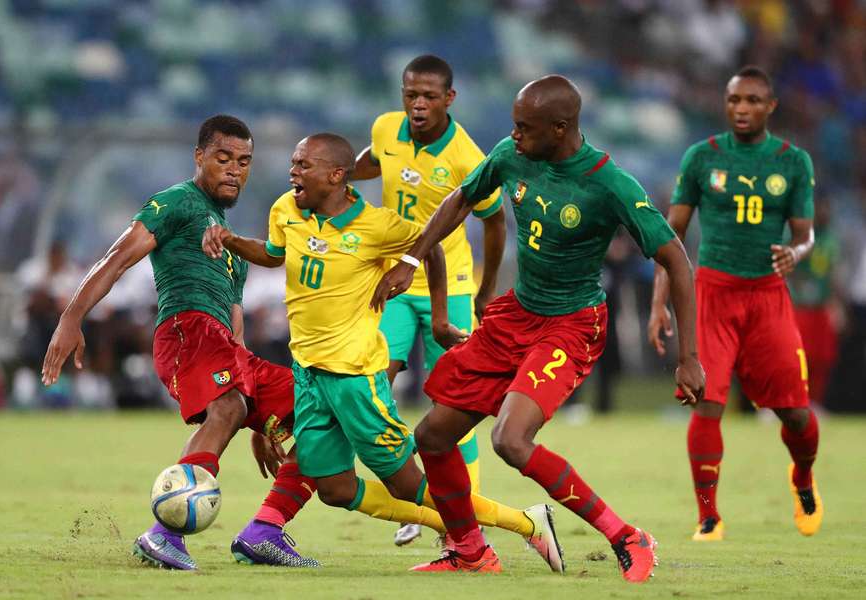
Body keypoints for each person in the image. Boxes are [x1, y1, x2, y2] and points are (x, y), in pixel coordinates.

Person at [373, 75, 705, 581]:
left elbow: (676, 260)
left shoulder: (609, 183)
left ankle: (627, 536)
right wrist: (412, 258)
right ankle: (470, 552)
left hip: (571, 325)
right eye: (514, 124)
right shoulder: (512, 154)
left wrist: (688, 357)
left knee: (510, 439)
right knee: (433, 436)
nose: (514, 135)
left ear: (561, 127)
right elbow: (461, 199)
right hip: (516, 315)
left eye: (525, 127)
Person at [202, 132, 564, 574]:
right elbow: (275, 254)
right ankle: (479, 531)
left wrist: (432, 309)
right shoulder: (285, 210)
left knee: (407, 483)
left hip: (355, 377)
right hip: (309, 376)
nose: (292, 172)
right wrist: (232, 239)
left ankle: (519, 526)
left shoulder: (378, 226)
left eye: (303, 165)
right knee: (334, 488)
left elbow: (431, 251)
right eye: (293, 163)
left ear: (336, 176)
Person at [41, 115, 320, 570]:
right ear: (199, 157)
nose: (234, 170)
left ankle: (264, 530)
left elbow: (236, 328)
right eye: (223, 158)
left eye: (244, 161)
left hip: (227, 346)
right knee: (226, 408)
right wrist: (71, 317)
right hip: (186, 330)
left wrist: (261, 417)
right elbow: (116, 258)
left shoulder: (232, 243)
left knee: (323, 413)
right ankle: (163, 534)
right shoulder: (177, 202)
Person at [648, 66, 823, 542]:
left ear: (771, 106)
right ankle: (709, 516)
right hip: (713, 296)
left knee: (797, 415)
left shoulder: (792, 162)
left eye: (751, 101)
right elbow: (670, 237)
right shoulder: (703, 158)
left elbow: (806, 236)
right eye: (733, 100)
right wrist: (658, 303)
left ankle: (803, 478)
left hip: (768, 298)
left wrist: (796, 252)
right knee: (707, 405)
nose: (741, 109)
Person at [351, 54, 506, 546]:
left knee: (455, 404)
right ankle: (418, 499)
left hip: (453, 287)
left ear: (449, 99)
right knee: (375, 385)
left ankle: (464, 516)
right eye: (409, 94)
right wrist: (330, 181)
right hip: (392, 282)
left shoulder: (467, 157)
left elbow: (496, 221)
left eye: (428, 97)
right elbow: (367, 165)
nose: (417, 105)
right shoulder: (384, 129)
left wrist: (486, 290)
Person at [788, 197, 841, 407]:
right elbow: (788, 267)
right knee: (793, 356)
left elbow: (833, 273)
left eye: (826, 207)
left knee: (822, 358)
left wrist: (837, 303)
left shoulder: (830, 239)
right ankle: (785, 401)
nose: (823, 212)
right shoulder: (798, 235)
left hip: (821, 306)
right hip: (799, 306)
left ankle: (815, 402)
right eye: (820, 207)